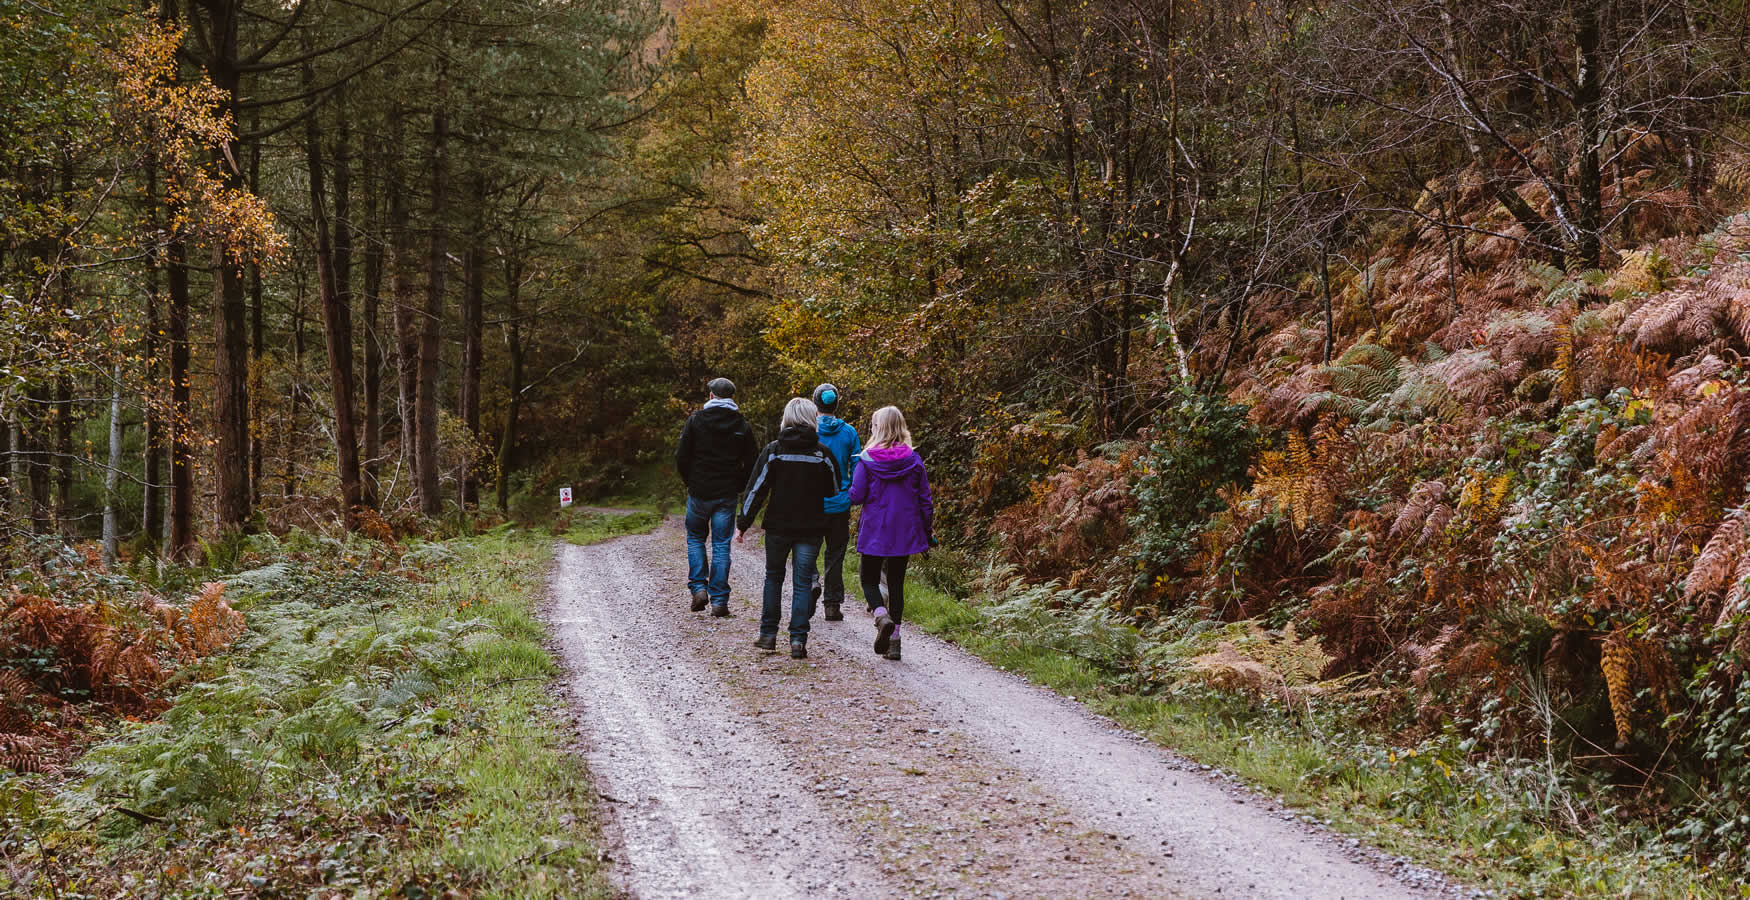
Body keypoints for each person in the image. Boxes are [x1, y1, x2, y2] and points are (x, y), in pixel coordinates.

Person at [737, 397, 840, 659]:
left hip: (778, 527)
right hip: (811, 527)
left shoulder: (774, 450)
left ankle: (768, 636)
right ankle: (797, 641)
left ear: (786, 418)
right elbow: (834, 488)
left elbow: (756, 489)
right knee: (803, 583)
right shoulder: (822, 453)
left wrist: (743, 523)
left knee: (773, 578)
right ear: (811, 418)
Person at [848, 405, 934, 661]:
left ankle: (879, 616)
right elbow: (925, 501)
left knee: (868, 579)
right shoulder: (914, 460)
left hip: (875, 529)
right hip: (905, 532)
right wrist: (926, 532)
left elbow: (857, 496)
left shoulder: (867, 460)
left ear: (879, 428)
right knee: (896, 583)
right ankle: (895, 641)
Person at [675, 377, 758, 617]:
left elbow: (681, 455)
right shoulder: (741, 425)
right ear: (732, 397)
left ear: (711, 396)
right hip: (726, 494)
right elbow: (752, 461)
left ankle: (699, 588)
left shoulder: (696, 421)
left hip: (699, 492)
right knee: (721, 545)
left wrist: (690, 481)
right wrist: (739, 485)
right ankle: (720, 600)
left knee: (695, 539)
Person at [808, 383, 861, 622]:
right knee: (836, 554)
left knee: (808, 549)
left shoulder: (808, 430)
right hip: (840, 503)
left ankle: (810, 582)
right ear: (836, 404)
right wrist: (850, 492)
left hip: (811, 503)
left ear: (814, 403)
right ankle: (832, 605)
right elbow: (857, 467)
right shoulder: (849, 432)